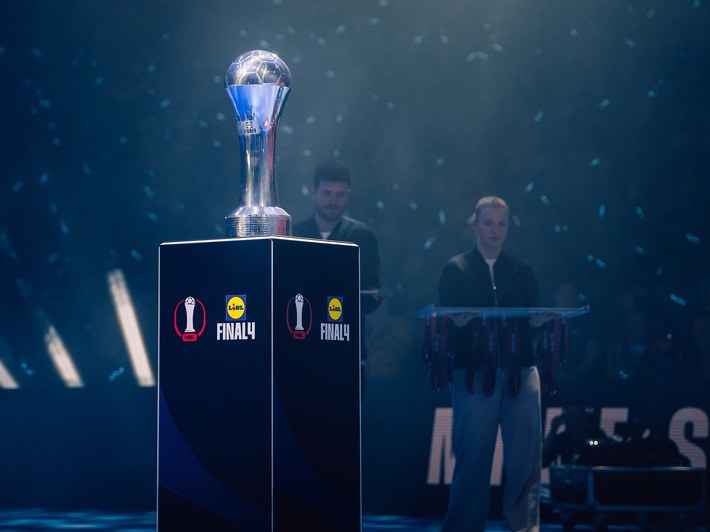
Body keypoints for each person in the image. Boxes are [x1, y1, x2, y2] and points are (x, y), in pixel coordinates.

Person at [438, 196, 544, 532]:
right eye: (488, 223)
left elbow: (531, 319)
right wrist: (456, 323)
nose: (495, 230)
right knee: (473, 457)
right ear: (475, 224)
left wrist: (538, 324)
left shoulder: (522, 271)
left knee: (525, 458)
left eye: (501, 224)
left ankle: (525, 528)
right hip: (473, 371)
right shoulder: (456, 268)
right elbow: (446, 323)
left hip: (520, 370)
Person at [292, 159, 382, 392]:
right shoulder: (294, 235)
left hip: (347, 350)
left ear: (348, 195)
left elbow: (373, 294)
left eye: (340, 194)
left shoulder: (363, 236)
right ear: (313, 191)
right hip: (301, 348)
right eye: (327, 193)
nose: (333, 201)